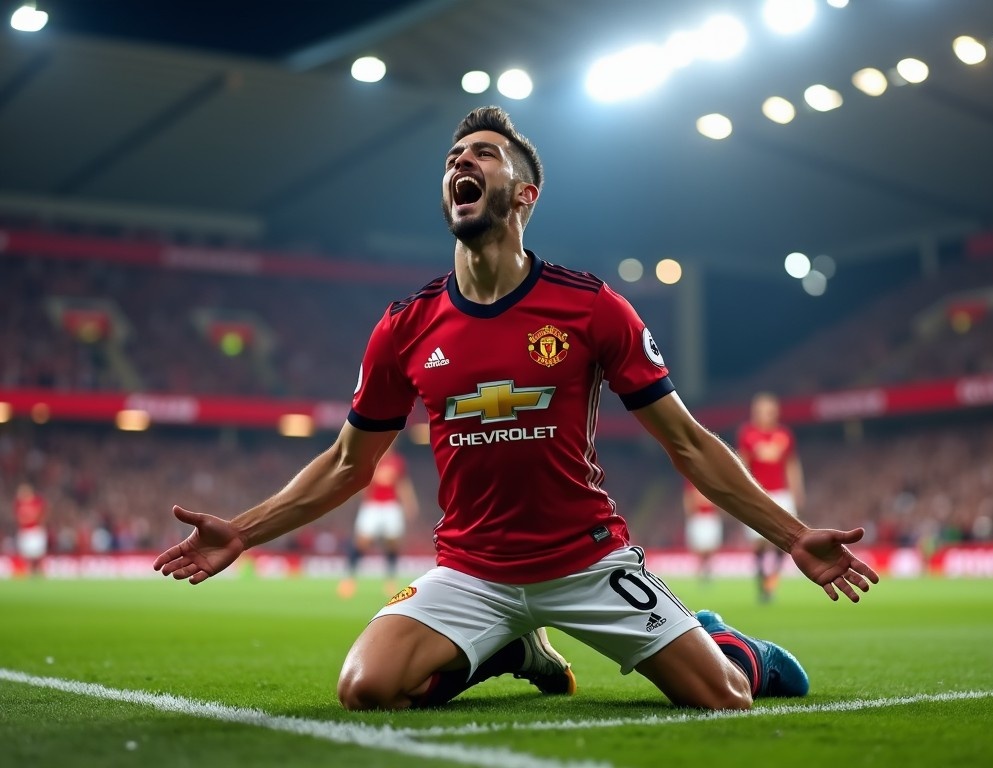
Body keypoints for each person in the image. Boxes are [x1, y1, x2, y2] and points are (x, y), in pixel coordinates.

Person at [154, 106, 879, 712]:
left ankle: (727, 641)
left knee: (724, 699)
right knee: (365, 689)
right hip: (471, 569)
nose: (460, 164)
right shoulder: (405, 326)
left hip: (585, 559)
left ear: (524, 195)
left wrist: (790, 536)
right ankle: (505, 648)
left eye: (483, 155)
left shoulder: (591, 308)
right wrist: (242, 533)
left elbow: (688, 444)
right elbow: (350, 463)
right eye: (453, 158)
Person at [736, 392, 806, 603]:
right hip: (758, 494)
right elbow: (742, 463)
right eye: (760, 410)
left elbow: (792, 465)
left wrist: (798, 490)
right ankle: (762, 579)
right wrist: (742, 491)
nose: (764, 414)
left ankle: (772, 580)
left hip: (781, 494)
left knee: (784, 541)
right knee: (758, 542)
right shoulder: (747, 434)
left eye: (769, 410)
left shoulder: (784, 435)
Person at [337, 443, 419, 598]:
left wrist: (409, 503)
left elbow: (403, 484)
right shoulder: (372, 460)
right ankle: (349, 579)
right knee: (361, 542)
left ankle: (390, 580)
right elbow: (362, 482)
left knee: (393, 543)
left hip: (391, 506)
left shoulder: (397, 462)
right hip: (372, 505)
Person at [683, 481, 723, 583]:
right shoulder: (691, 482)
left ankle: (707, 570)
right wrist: (690, 513)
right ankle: (702, 571)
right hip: (698, 517)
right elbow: (689, 498)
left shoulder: (712, 480)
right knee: (699, 548)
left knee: (710, 547)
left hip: (710, 517)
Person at [14, 482, 47, 576]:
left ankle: (40, 572)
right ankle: (28, 573)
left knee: (38, 554)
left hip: (35, 530)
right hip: (24, 531)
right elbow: (18, 517)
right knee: (25, 555)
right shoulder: (18, 503)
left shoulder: (36, 501)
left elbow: (41, 514)